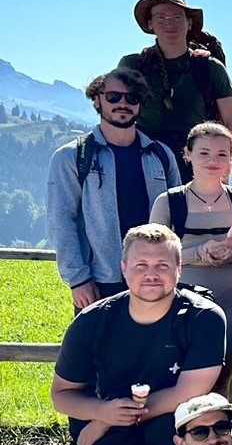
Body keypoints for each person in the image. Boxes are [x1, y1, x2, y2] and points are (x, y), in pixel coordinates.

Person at [49, 224, 226, 445]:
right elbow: (61, 394)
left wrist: (108, 420)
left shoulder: (203, 317)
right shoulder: (92, 321)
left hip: (170, 421)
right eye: (141, 264)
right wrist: (101, 412)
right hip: (108, 417)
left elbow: (189, 392)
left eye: (162, 265)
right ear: (123, 268)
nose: (151, 274)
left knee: (173, 439)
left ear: (179, 269)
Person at [149, 122, 232, 396]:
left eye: (221, 154)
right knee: (178, 377)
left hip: (231, 301)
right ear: (187, 154)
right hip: (180, 300)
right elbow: (153, 254)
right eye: (204, 153)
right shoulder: (169, 202)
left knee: (222, 378)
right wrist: (196, 254)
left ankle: (220, 435)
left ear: (231, 158)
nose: (213, 161)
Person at [47, 68, 180, 311]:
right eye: (113, 97)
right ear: (97, 99)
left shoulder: (161, 155)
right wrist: (78, 280)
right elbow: (61, 220)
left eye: (132, 98)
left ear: (140, 104)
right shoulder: (72, 157)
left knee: (155, 349)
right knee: (99, 350)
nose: (123, 104)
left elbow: (177, 218)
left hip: (154, 280)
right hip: (100, 281)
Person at [118, 0, 232, 179]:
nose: (169, 24)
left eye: (176, 17)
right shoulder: (132, 65)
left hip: (195, 164)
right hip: (143, 161)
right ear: (150, 24)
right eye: (161, 18)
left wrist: (225, 168)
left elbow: (231, 120)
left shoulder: (210, 68)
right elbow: (117, 112)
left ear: (189, 23)